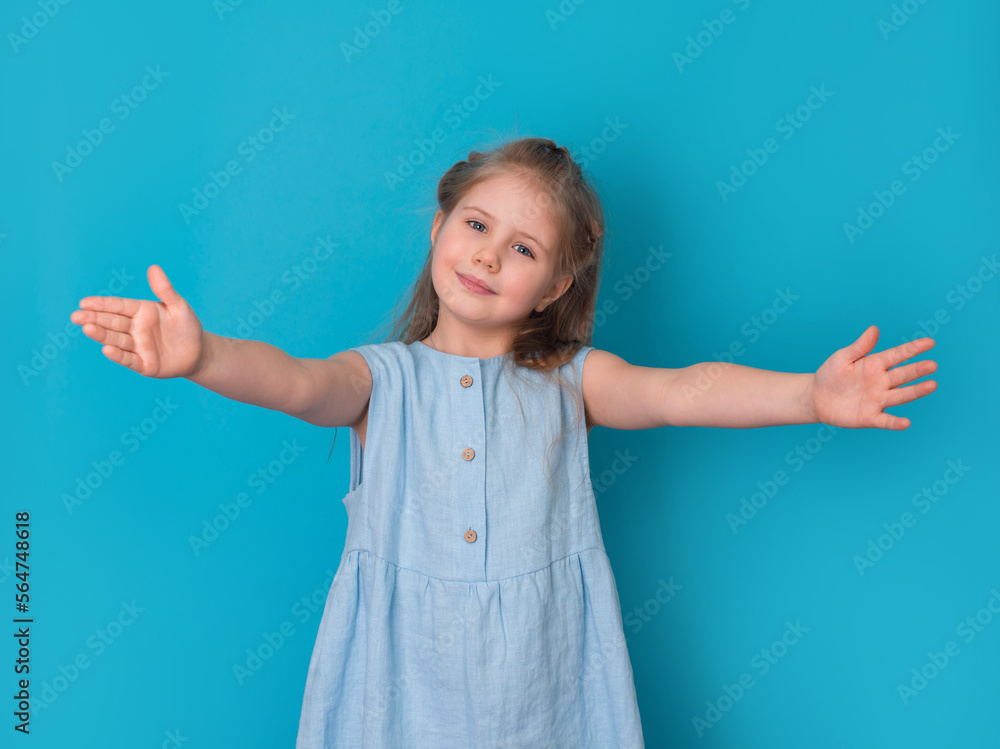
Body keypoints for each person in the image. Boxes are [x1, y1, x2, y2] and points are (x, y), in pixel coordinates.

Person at [69, 137, 938, 748]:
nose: (487, 255)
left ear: (555, 284)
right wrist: (205, 355)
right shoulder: (382, 378)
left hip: (545, 674)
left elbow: (680, 392)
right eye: (476, 224)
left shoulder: (572, 379)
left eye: (522, 247)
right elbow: (298, 381)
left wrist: (810, 396)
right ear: (439, 225)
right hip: (398, 678)